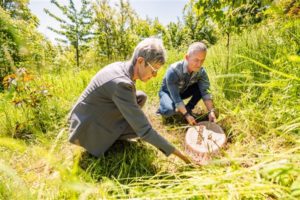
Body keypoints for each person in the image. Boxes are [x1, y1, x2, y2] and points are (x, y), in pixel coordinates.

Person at [68, 38, 190, 164]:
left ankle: (115, 133)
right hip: (86, 129)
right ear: (141, 61)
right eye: (153, 71)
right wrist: (184, 158)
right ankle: (100, 140)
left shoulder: (121, 68)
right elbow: (145, 131)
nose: (154, 76)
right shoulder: (121, 83)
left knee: (140, 97)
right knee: (140, 129)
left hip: (89, 115)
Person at [157, 42, 217, 125]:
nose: (199, 64)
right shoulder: (173, 71)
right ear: (187, 57)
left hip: (182, 91)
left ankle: (188, 108)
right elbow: (176, 98)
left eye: (202, 60)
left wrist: (211, 111)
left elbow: (206, 92)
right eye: (196, 60)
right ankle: (163, 108)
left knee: (200, 87)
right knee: (169, 111)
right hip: (168, 92)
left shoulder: (201, 72)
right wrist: (186, 115)